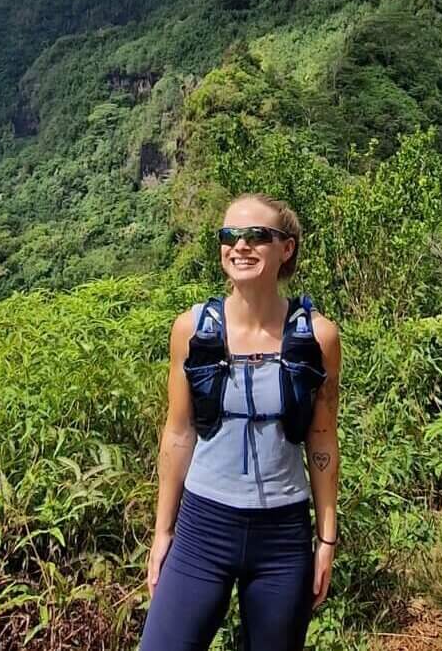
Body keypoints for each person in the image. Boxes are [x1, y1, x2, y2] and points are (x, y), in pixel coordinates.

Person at [139, 194, 342, 651]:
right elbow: (178, 432)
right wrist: (163, 531)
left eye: (257, 236)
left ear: (286, 248)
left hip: (282, 532)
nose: (241, 246)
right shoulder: (192, 330)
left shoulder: (318, 336)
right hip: (203, 524)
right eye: (230, 236)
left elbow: (322, 436)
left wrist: (326, 536)